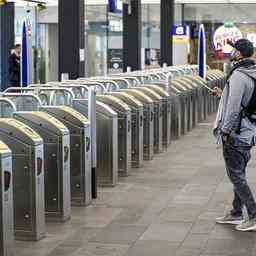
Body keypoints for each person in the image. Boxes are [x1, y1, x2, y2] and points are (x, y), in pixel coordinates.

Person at [213, 39, 256, 232]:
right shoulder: (252, 73)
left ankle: (253, 215)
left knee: (236, 176)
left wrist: (225, 131)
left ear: (238, 53)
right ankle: (236, 212)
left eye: (234, 51)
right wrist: (223, 94)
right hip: (248, 131)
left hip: (236, 134)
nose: (232, 53)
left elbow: (233, 109)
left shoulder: (239, 75)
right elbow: (244, 100)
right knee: (239, 173)